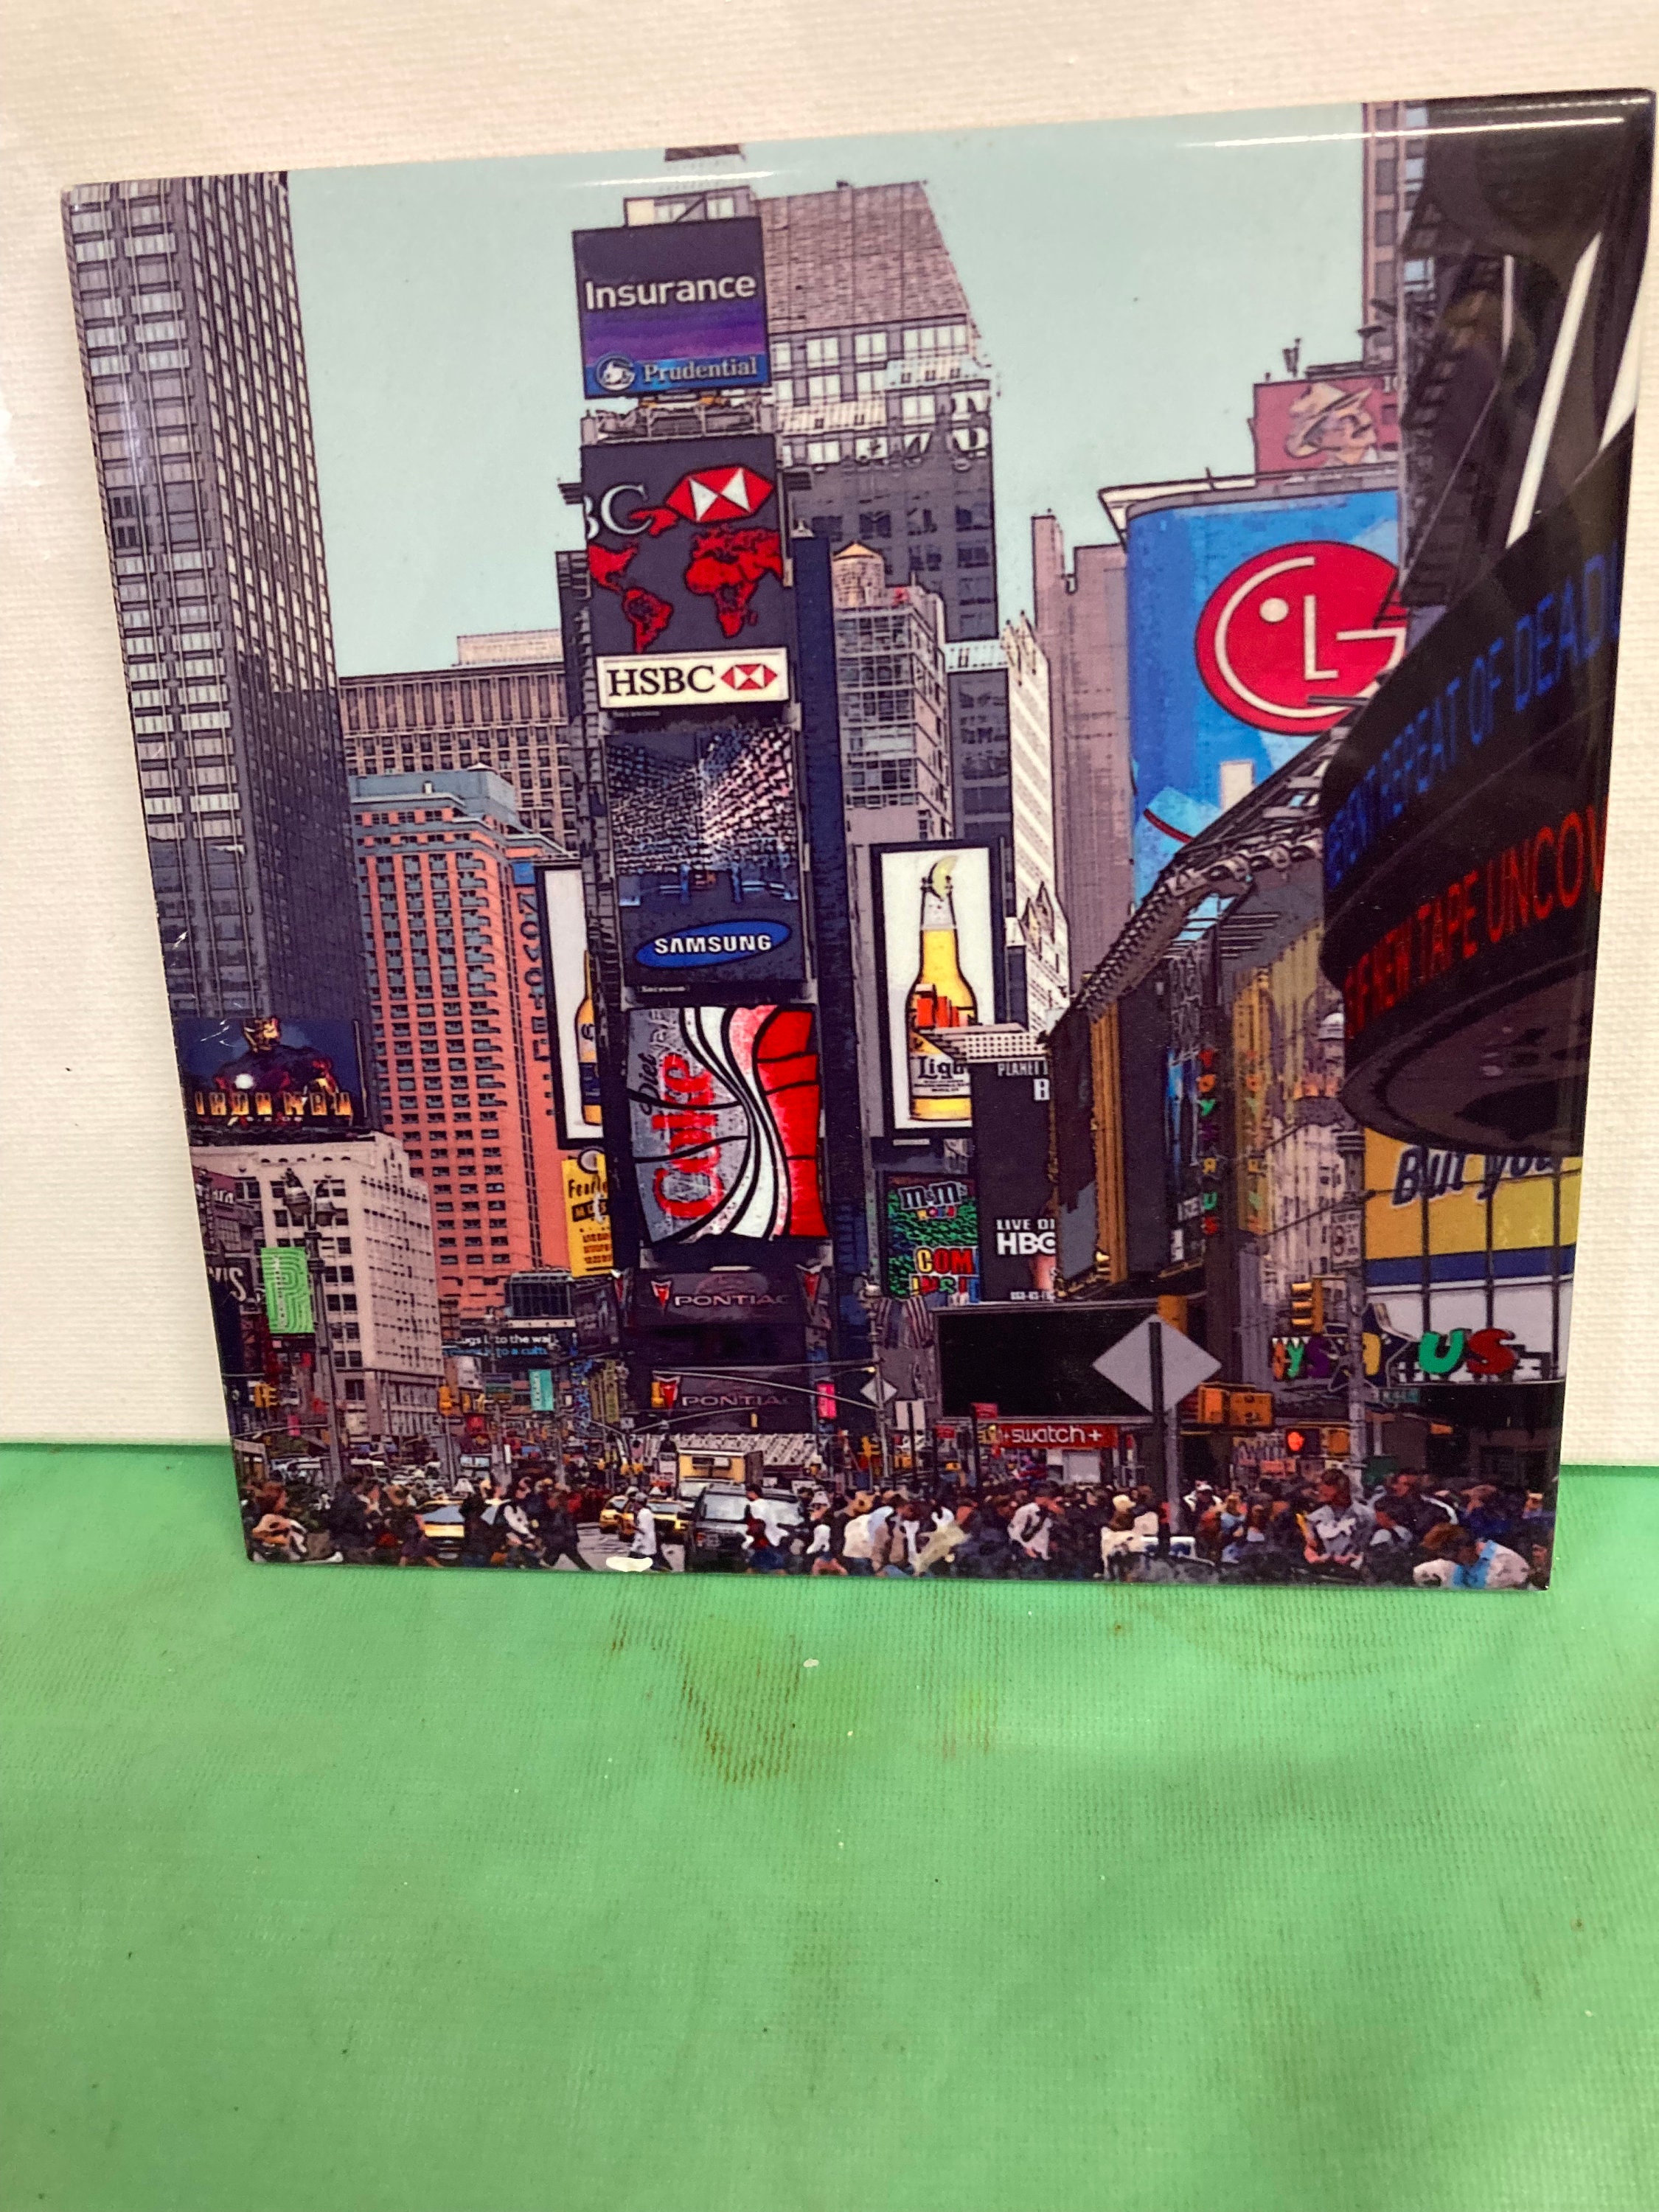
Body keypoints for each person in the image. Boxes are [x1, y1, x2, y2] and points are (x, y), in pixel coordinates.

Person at [1413, 1527, 1531, 1588]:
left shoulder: (1506, 1561)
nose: (1450, 1560)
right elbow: (1419, 1573)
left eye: (1453, 1555)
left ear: (1465, 1546)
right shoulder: (1451, 1563)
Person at [536, 1485, 592, 1571]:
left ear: (557, 1502)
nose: (548, 1502)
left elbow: (559, 1527)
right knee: (546, 1563)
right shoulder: (558, 1512)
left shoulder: (560, 1513)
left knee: (546, 1563)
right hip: (562, 1543)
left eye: (551, 1500)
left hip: (562, 1543)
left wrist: (545, 1536)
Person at [912, 1501, 975, 1577]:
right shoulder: (949, 1522)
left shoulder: (962, 1535)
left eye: (966, 1512)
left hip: (938, 1562)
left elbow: (946, 1543)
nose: (961, 1513)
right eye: (961, 1510)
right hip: (927, 1553)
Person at [630, 1493, 672, 1572]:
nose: (633, 1503)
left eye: (635, 1501)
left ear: (638, 1503)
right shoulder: (644, 1512)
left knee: (651, 1564)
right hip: (644, 1542)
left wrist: (633, 1526)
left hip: (644, 1543)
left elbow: (644, 1530)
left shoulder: (644, 1514)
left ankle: (668, 1571)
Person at [841, 1498, 876, 1576]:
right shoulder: (871, 1522)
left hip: (850, 1556)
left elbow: (846, 1537)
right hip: (865, 1556)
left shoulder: (850, 1524)